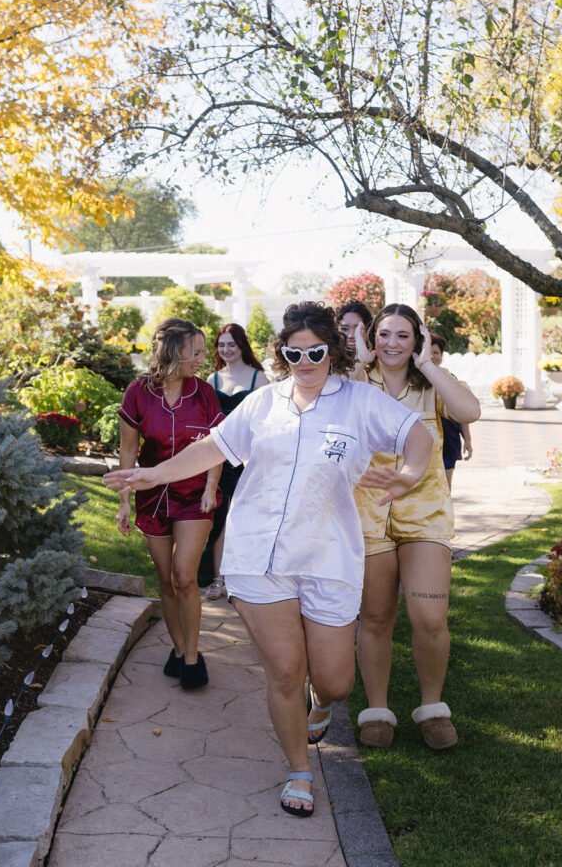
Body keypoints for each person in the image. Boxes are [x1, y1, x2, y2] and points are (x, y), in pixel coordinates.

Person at [105, 301, 433, 818]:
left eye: (316, 352)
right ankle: (298, 769)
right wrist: (151, 475)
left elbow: (419, 434)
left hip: (327, 559)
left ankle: (320, 701)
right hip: (258, 555)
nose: (305, 361)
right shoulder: (263, 403)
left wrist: (410, 473)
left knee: (335, 681)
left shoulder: (361, 402)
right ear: (283, 353)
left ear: (334, 351)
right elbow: (211, 448)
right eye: (293, 352)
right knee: (283, 671)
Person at [353, 304, 480, 751]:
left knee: (429, 617)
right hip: (367, 517)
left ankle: (432, 708)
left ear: (418, 340)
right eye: (384, 334)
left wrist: (429, 365)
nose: (392, 343)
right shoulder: (355, 384)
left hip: (425, 516)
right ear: (372, 338)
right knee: (375, 617)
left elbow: (470, 410)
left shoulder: (431, 386)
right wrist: (358, 362)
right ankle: (377, 710)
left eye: (403, 336)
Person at [116, 318, 224, 690]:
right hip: (152, 495)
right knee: (165, 580)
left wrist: (212, 486)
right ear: (177, 351)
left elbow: (216, 445)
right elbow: (129, 449)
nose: (201, 358)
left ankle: (193, 659)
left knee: (184, 575)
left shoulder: (205, 393)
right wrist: (124, 501)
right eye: (195, 351)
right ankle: (178, 651)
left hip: (195, 495)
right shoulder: (138, 392)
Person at [200, 323, 268, 598]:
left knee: (240, 521)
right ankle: (217, 580)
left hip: (248, 459)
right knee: (219, 521)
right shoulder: (212, 380)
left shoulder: (259, 379)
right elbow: (206, 424)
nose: (226, 350)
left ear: (242, 346)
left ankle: (242, 581)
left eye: (231, 344)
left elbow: (265, 422)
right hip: (218, 456)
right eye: (221, 344)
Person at [430, 333, 473, 490]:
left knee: (445, 488)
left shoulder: (451, 379)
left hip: (448, 439)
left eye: (436, 352)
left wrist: (467, 440)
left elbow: (462, 412)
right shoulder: (412, 379)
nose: (432, 356)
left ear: (441, 356)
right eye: (428, 352)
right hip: (425, 439)